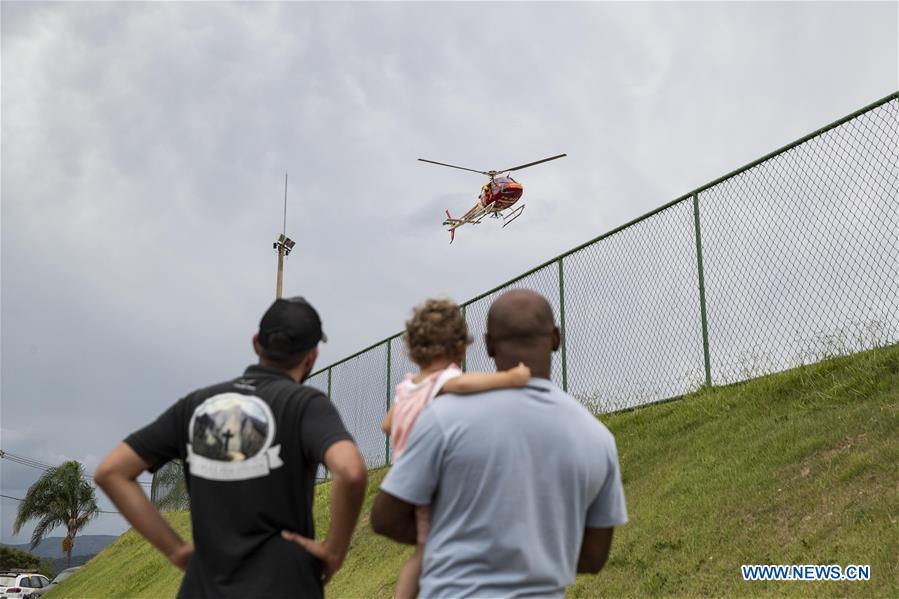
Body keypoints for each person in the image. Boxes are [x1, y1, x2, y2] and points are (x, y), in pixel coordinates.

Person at [95, 296, 367, 598]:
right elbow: (350, 471)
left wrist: (178, 551)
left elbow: (112, 472)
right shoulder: (305, 404)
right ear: (312, 356)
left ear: (256, 344)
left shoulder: (197, 405)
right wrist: (333, 551)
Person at [371, 289, 628, 598]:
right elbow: (593, 557)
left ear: (489, 345)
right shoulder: (598, 438)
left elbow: (385, 518)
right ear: (556, 339)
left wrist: (458, 542)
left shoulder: (443, 416)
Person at [380, 298, 530, 599]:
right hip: (436, 482)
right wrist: (511, 378)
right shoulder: (445, 379)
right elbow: (463, 385)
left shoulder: (407, 387)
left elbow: (387, 424)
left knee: (421, 553)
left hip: (407, 478)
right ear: (458, 347)